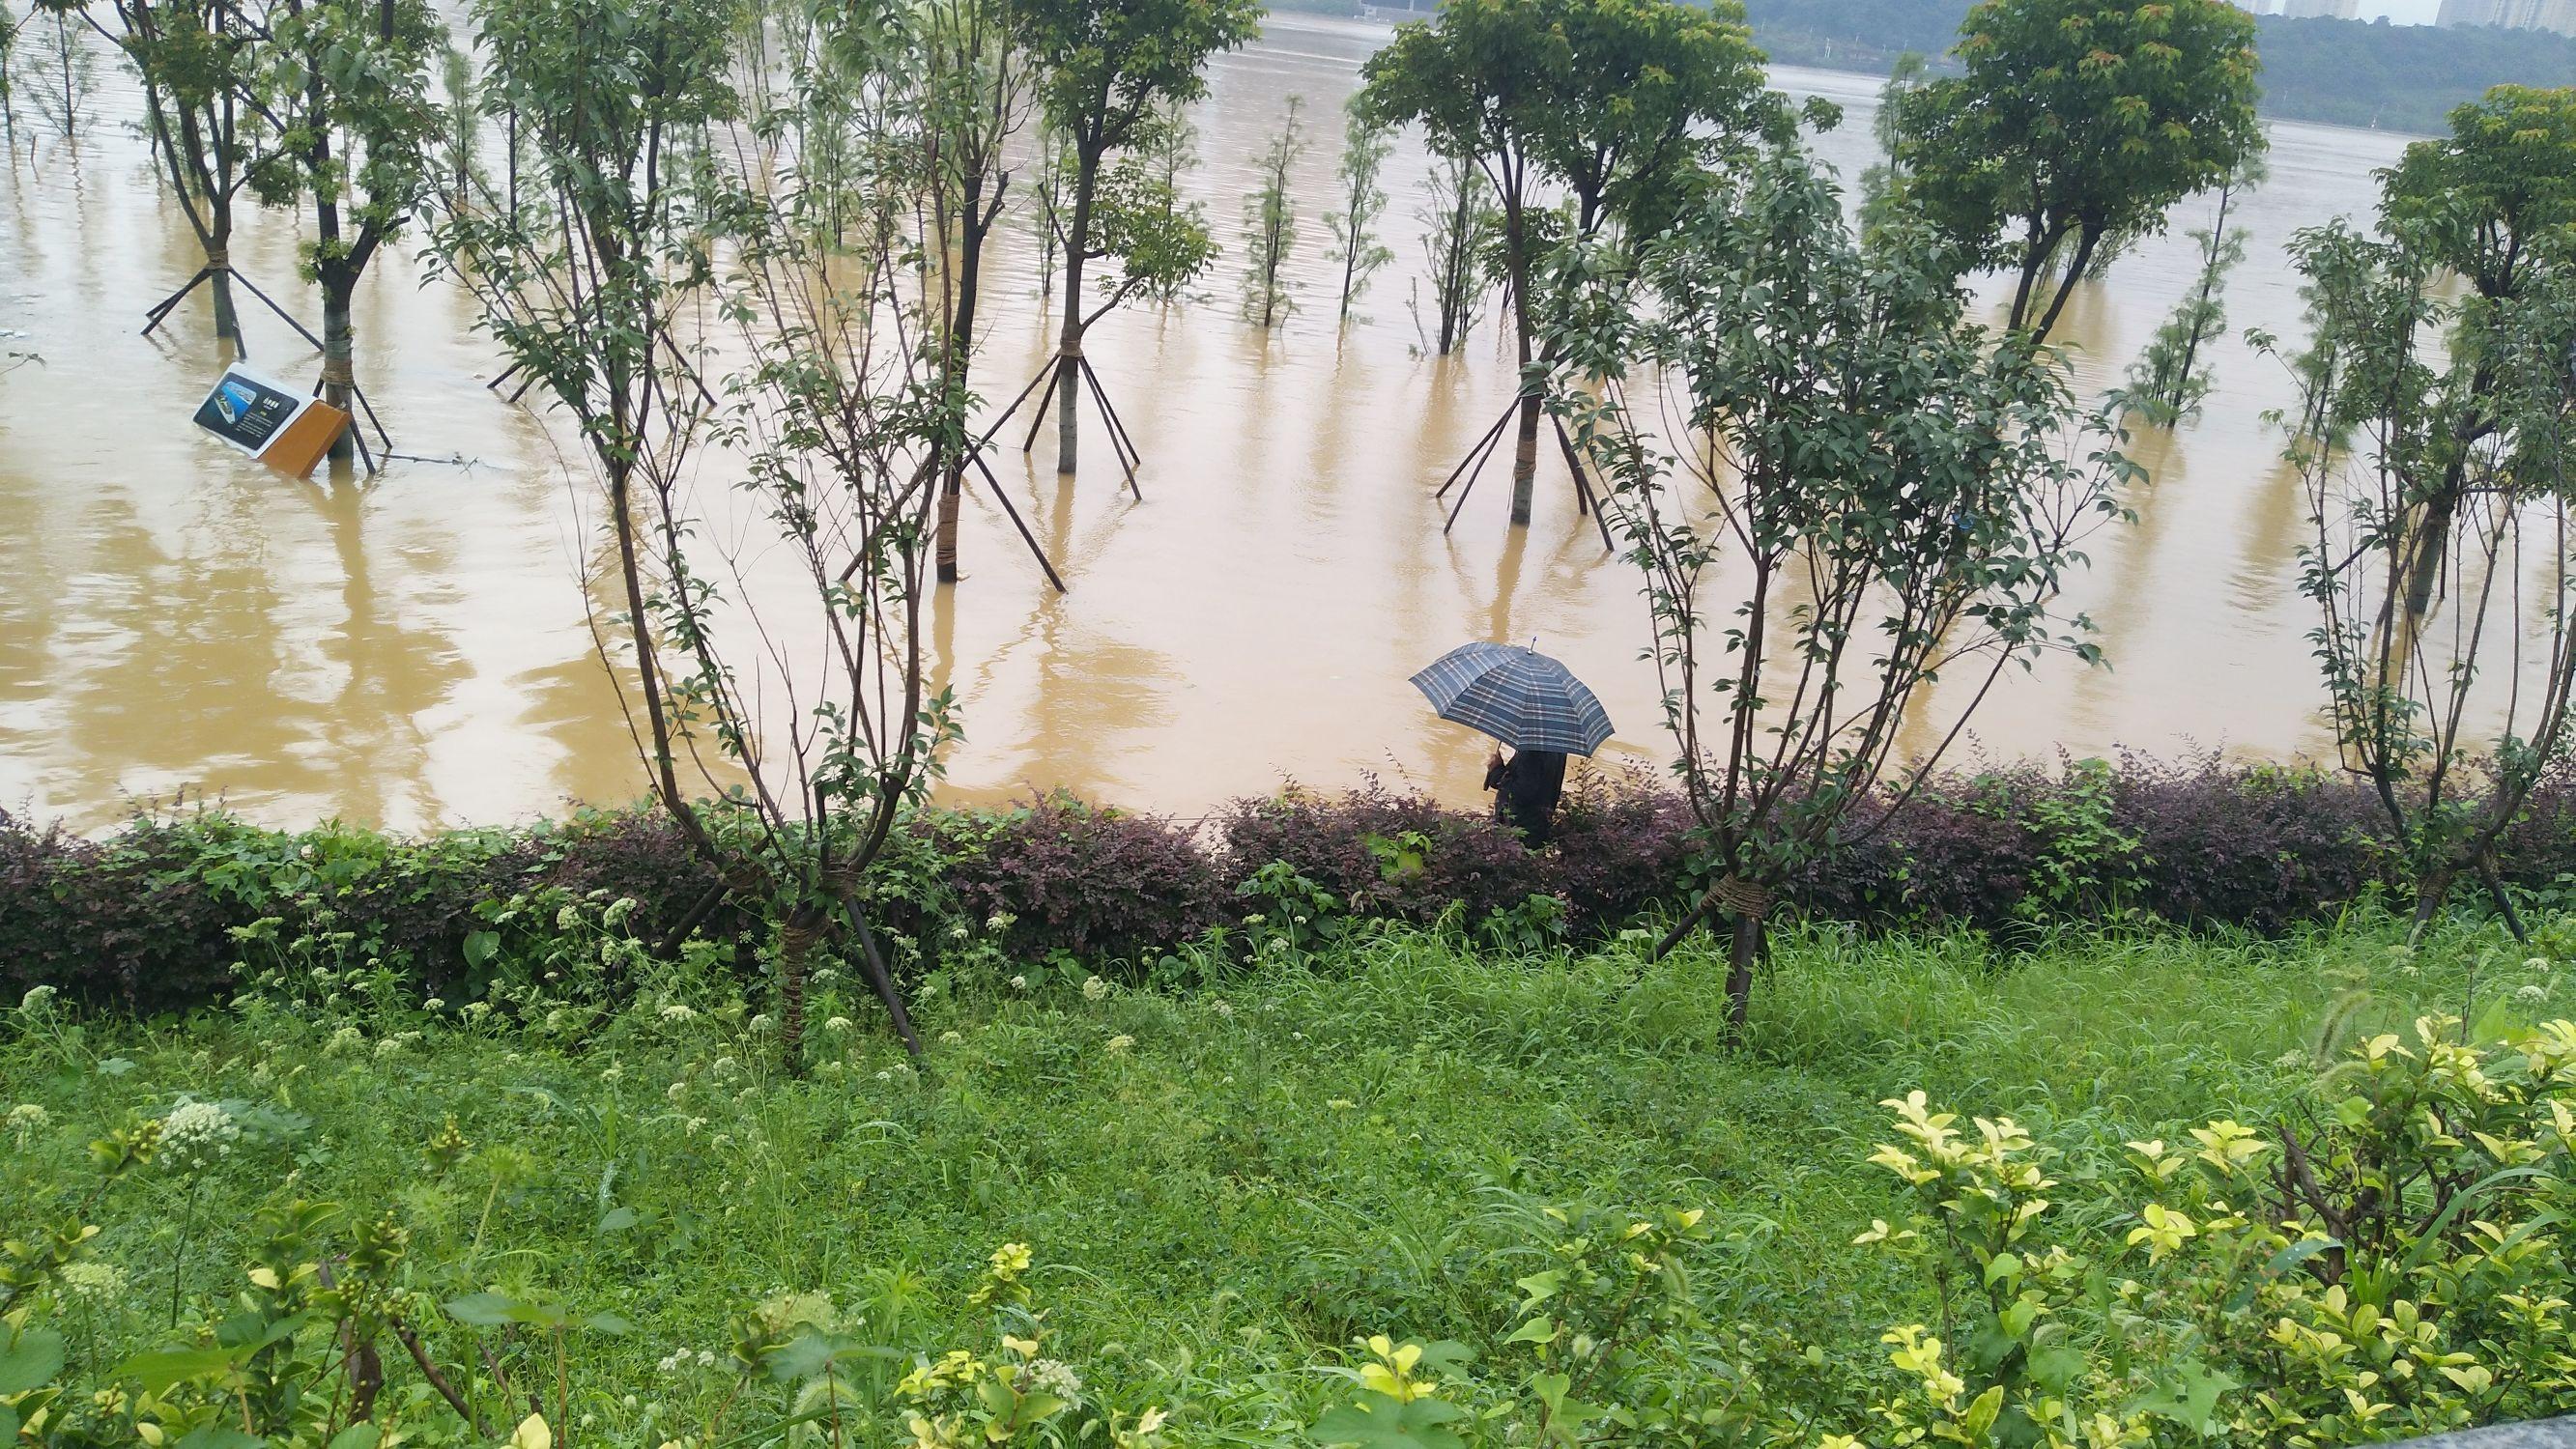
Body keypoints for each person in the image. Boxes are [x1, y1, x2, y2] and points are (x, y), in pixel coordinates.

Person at [1483, 746, 1568, 846]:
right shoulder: (1557, 745)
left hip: (1518, 830)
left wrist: (1496, 771)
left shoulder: (1533, 751)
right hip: (1537, 825)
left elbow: (1520, 792)